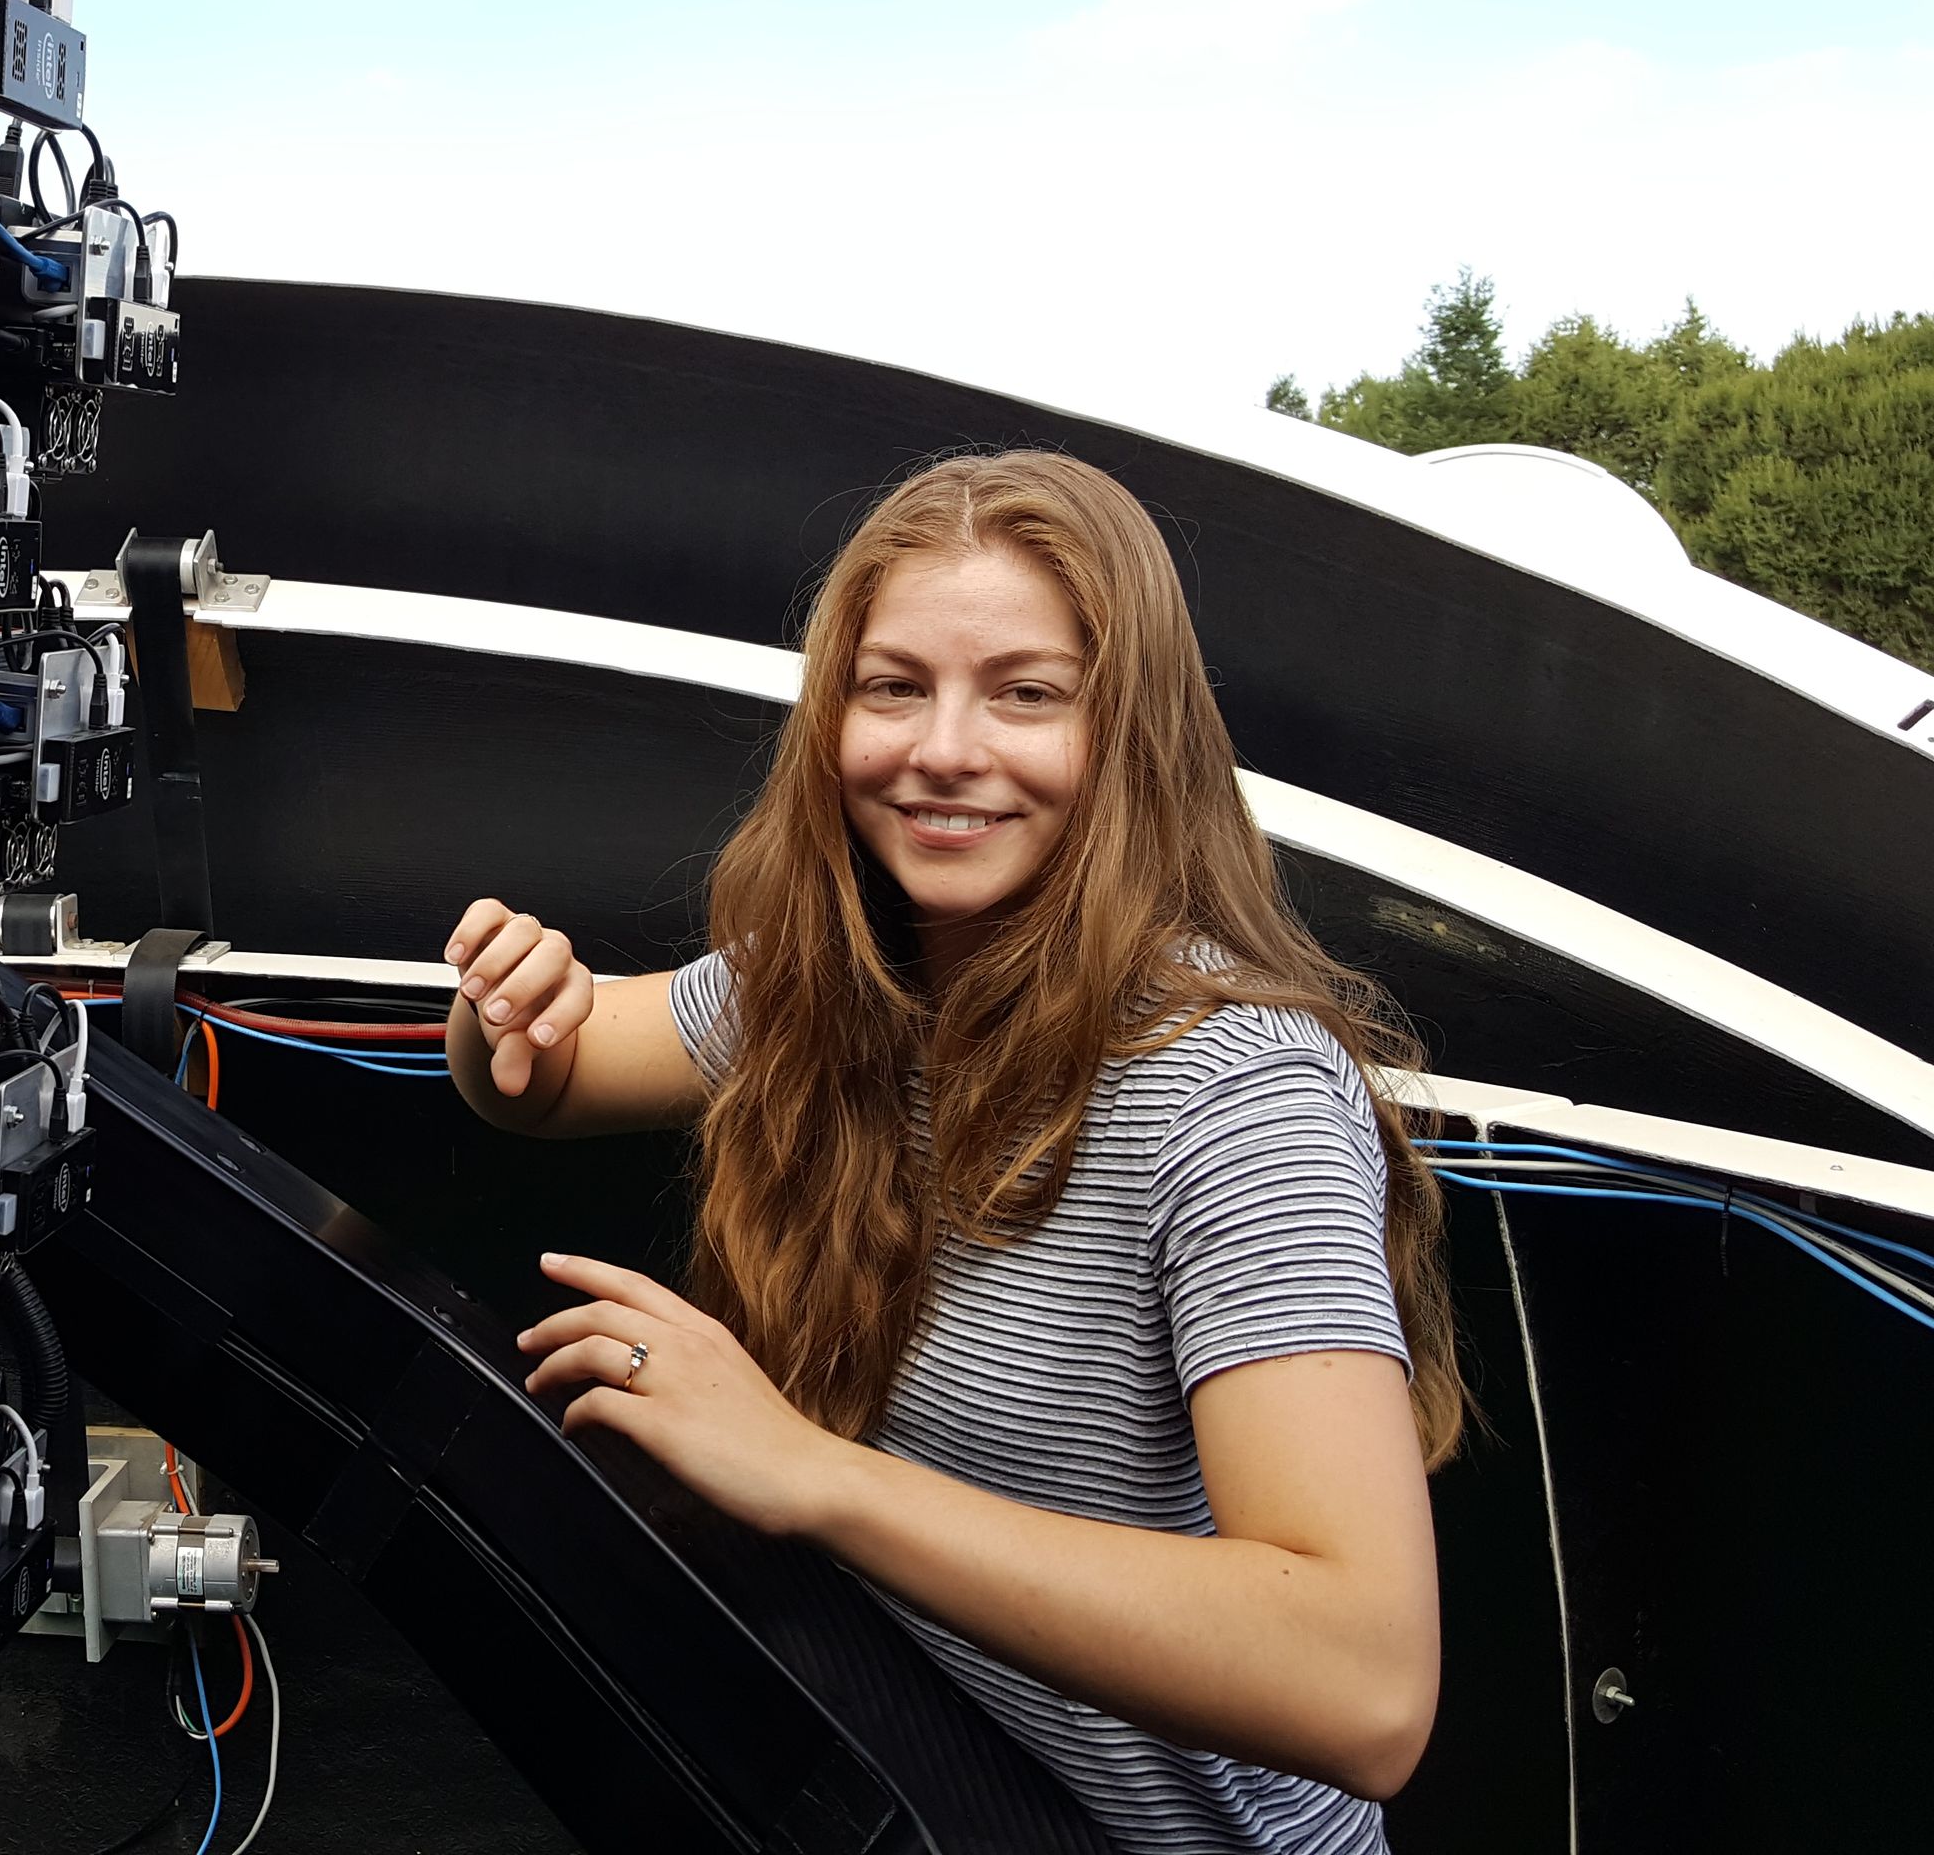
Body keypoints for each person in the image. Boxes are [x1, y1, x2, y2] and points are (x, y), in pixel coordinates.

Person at [444, 451, 1461, 1854]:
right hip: (921, 1770)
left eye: (1026, 693)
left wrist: (810, 1472)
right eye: (894, 686)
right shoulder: (838, 981)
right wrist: (505, 1008)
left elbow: (1364, 1687)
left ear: (1133, 733)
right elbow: (543, 1084)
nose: (943, 748)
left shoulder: (1238, 1095)